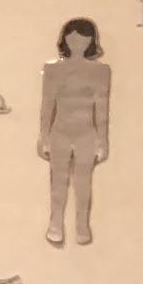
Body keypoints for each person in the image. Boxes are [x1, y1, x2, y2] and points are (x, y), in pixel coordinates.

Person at [39, 16, 110, 247]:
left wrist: (102, 141)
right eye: (72, 39)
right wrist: (43, 136)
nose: (77, 44)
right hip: (60, 131)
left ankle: (82, 226)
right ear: (65, 40)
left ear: (91, 41)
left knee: (83, 182)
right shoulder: (53, 70)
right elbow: (47, 105)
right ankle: (55, 224)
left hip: (86, 134)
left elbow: (102, 109)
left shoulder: (100, 71)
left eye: (82, 39)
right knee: (58, 182)